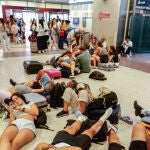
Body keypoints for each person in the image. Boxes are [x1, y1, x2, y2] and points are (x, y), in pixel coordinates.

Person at [36, 107, 113, 150]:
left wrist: (52, 147)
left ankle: (80, 118)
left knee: (70, 128)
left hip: (58, 143)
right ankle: (103, 119)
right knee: (90, 131)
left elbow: (40, 145)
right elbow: (77, 149)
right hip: (77, 145)